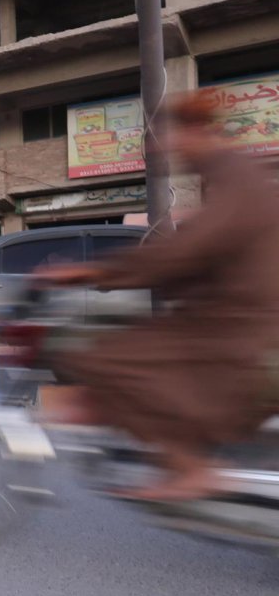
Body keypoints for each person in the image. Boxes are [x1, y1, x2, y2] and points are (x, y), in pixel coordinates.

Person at [37, 93, 279, 502]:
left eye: (172, 137)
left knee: (110, 360)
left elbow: (188, 251)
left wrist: (93, 271)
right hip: (230, 320)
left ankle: (191, 468)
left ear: (198, 132)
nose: (168, 148)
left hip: (241, 332)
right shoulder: (231, 177)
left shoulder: (236, 179)